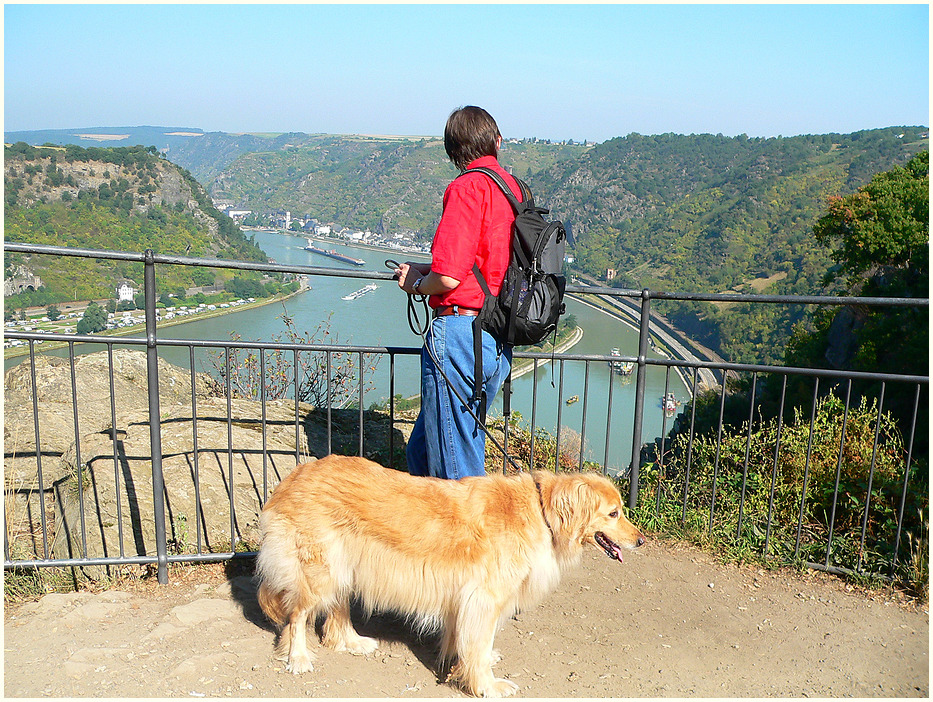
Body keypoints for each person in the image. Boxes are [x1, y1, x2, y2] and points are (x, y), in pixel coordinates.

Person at [394, 106, 521, 480]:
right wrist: (429, 270)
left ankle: (469, 539)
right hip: (498, 334)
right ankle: (425, 536)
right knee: (427, 449)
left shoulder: (467, 187)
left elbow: (449, 278)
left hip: (461, 335)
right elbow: (485, 261)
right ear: (497, 142)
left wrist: (415, 284)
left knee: (456, 474)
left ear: (452, 150)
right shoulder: (513, 188)